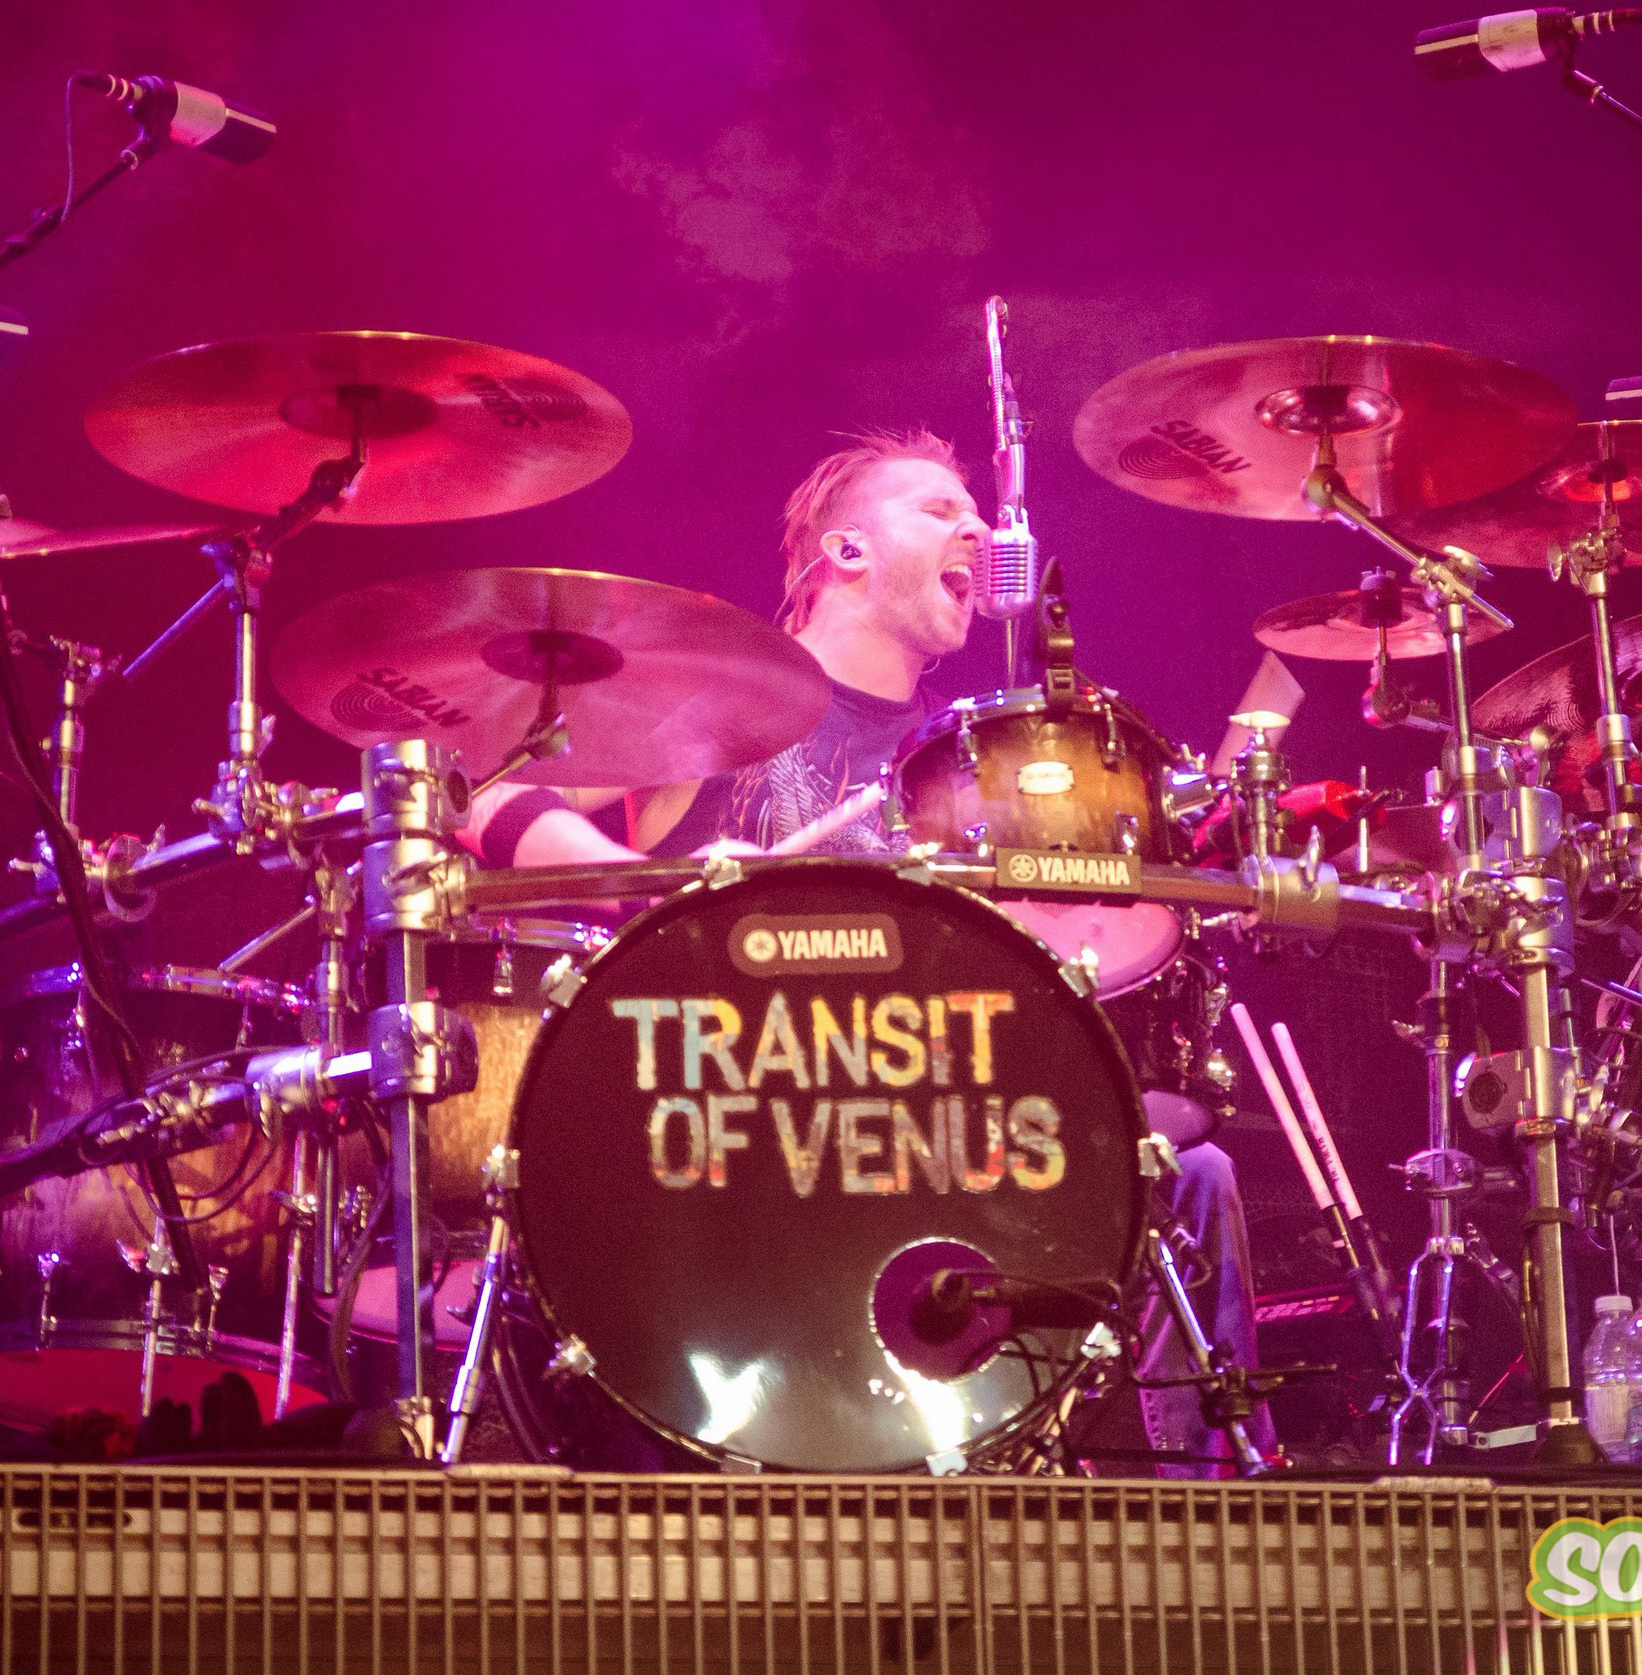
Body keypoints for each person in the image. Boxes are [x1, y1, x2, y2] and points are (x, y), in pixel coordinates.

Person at [465, 430, 1274, 1473]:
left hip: (924, 1135)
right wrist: (647, 883)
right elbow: (481, 794)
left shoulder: (965, 760)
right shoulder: (720, 697)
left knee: (1186, 1168)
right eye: (938, 509)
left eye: (973, 513)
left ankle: (1187, 1516)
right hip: (734, 1123)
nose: (976, 530)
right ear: (845, 551)